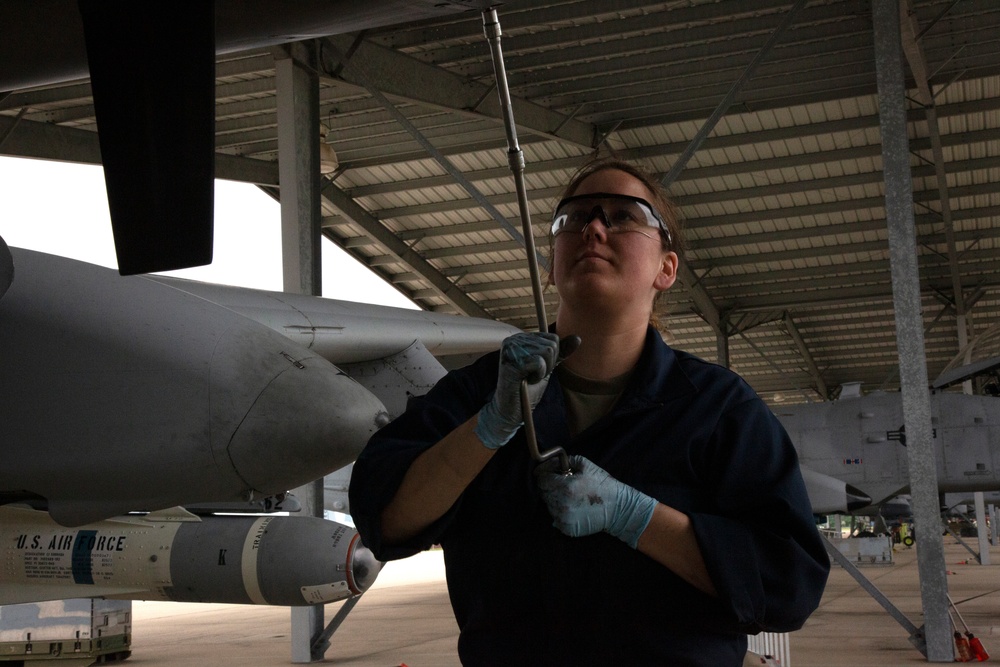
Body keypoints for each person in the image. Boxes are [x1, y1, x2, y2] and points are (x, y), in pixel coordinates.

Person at [349, 157, 830, 666]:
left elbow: (788, 584)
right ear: (551, 267)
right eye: (574, 218)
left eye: (624, 216)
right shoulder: (475, 395)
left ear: (666, 269)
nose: (594, 227)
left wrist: (637, 516)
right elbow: (385, 520)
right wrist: (488, 428)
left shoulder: (720, 409)